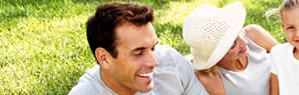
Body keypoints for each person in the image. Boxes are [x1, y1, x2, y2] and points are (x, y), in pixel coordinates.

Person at [68, 2, 207, 95]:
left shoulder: (171, 61)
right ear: (104, 58)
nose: (155, 62)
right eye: (139, 53)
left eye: (153, 48)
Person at [182, 2, 279, 95]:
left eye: (239, 33)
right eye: (233, 44)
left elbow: (288, 56)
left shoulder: (253, 34)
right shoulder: (212, 80)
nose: (245, 42)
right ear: (217, 55)